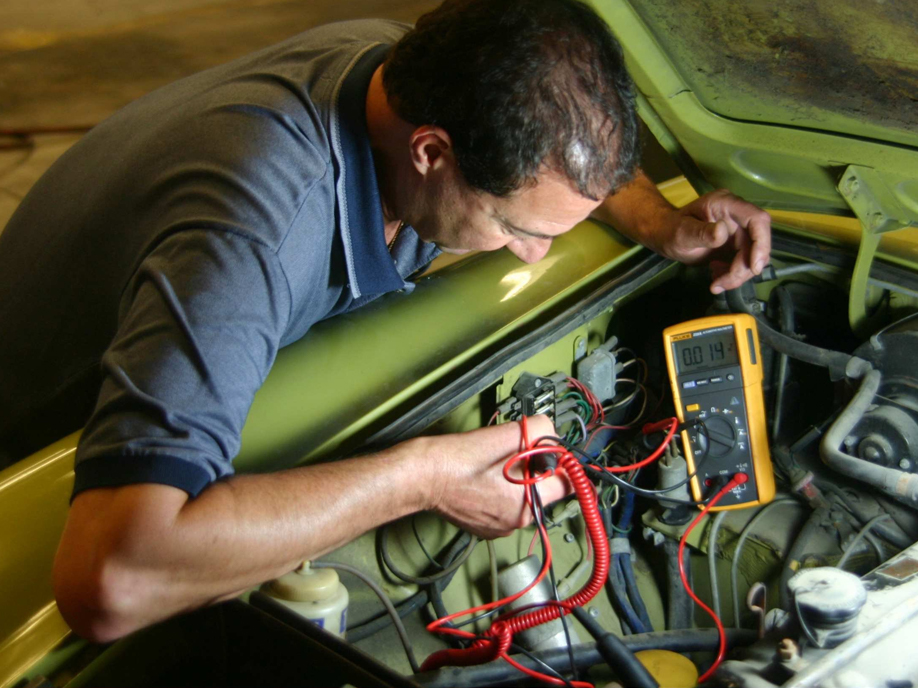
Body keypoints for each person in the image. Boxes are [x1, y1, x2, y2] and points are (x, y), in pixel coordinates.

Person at [0, 0, 771, 642]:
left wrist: (660, 222)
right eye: (514, 228)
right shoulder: (249, 238)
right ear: (432, 151)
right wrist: (425, 477)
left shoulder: (415, 66)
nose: (533, 258)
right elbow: (111, 578)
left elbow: (556, 146)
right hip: (35, 437)